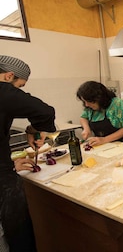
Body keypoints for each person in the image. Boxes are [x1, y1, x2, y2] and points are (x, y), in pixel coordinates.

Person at [0, 55, 56, 251]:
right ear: (9, 76)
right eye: (20, 86)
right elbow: (46, 112)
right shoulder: (3, 90)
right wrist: (35, 129)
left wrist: (7, 165)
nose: (18, 92)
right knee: (17, 234)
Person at [76, 81, 123, 146]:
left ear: (99, 98)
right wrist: (86, 129)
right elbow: (83, 118)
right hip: (104, 146)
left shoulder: (117, 104)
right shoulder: (90, 108)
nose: (86, 105)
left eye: (89, 101)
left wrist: (104, 139)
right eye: (84, 101)